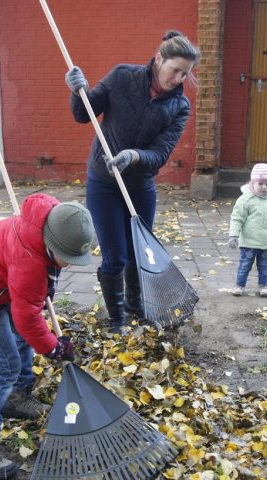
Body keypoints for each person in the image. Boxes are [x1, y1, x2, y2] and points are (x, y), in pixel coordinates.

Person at [0, 194, 95, 480]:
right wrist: (53, 349)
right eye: (68, 258)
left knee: (21, 337)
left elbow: (30, 306)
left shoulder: (51, 220)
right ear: (52, 244)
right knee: (5, 365)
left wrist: (43, 296)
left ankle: (15, 397)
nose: (70, 264)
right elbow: (27, 317)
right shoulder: (30, 263)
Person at [64, 31, 201, 332]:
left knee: (138, 256)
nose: (178, 78)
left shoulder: (179, 107)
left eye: (185, 74)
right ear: (159, 58)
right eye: (174, 69)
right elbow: (83, 114)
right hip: (103, 182)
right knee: (115, 256)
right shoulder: (123, 76)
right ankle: (116, 320)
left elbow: (161, 153)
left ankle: (135, 306)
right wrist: (78, 91)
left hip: (140, 187)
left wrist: (133, 156)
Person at [226, 163, 267, 297]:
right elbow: (237, 218)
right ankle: (239, 285)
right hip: (249, 242)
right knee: (245, 265)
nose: (264, 187)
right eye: (260, 183)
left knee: (264, 266)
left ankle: (263, 286)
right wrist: (233, 236)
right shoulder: (246, 200)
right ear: (252, 183)